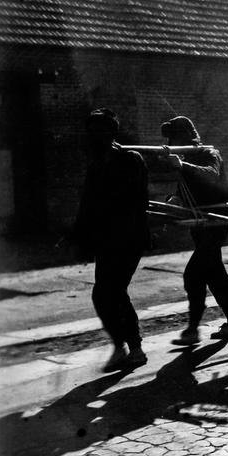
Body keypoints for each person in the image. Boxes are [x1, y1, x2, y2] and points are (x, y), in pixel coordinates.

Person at [72, 108, 149, 371]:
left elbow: (132, 200)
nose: (94, 136)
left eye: (100, 131)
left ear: (112, 133)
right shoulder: (96, 163)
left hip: (129, 236)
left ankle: (135, 347)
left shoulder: (130, 159)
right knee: (100, 294)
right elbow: (87, 202)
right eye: (91, 132)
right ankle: (119, 344)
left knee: (114, 290)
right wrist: (78, 233)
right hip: (106, 239)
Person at [161, 116, 228, 345]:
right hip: (201, 223)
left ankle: (193, 329)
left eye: (174, 137)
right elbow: (183, 191)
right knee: (214, 272)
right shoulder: (185, 158)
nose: (171, 142)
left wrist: (182, 165)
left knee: (193, 274)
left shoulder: (208, 154)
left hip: (216, 221)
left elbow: (211, 175)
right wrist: (174, 200)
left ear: (186, 135)